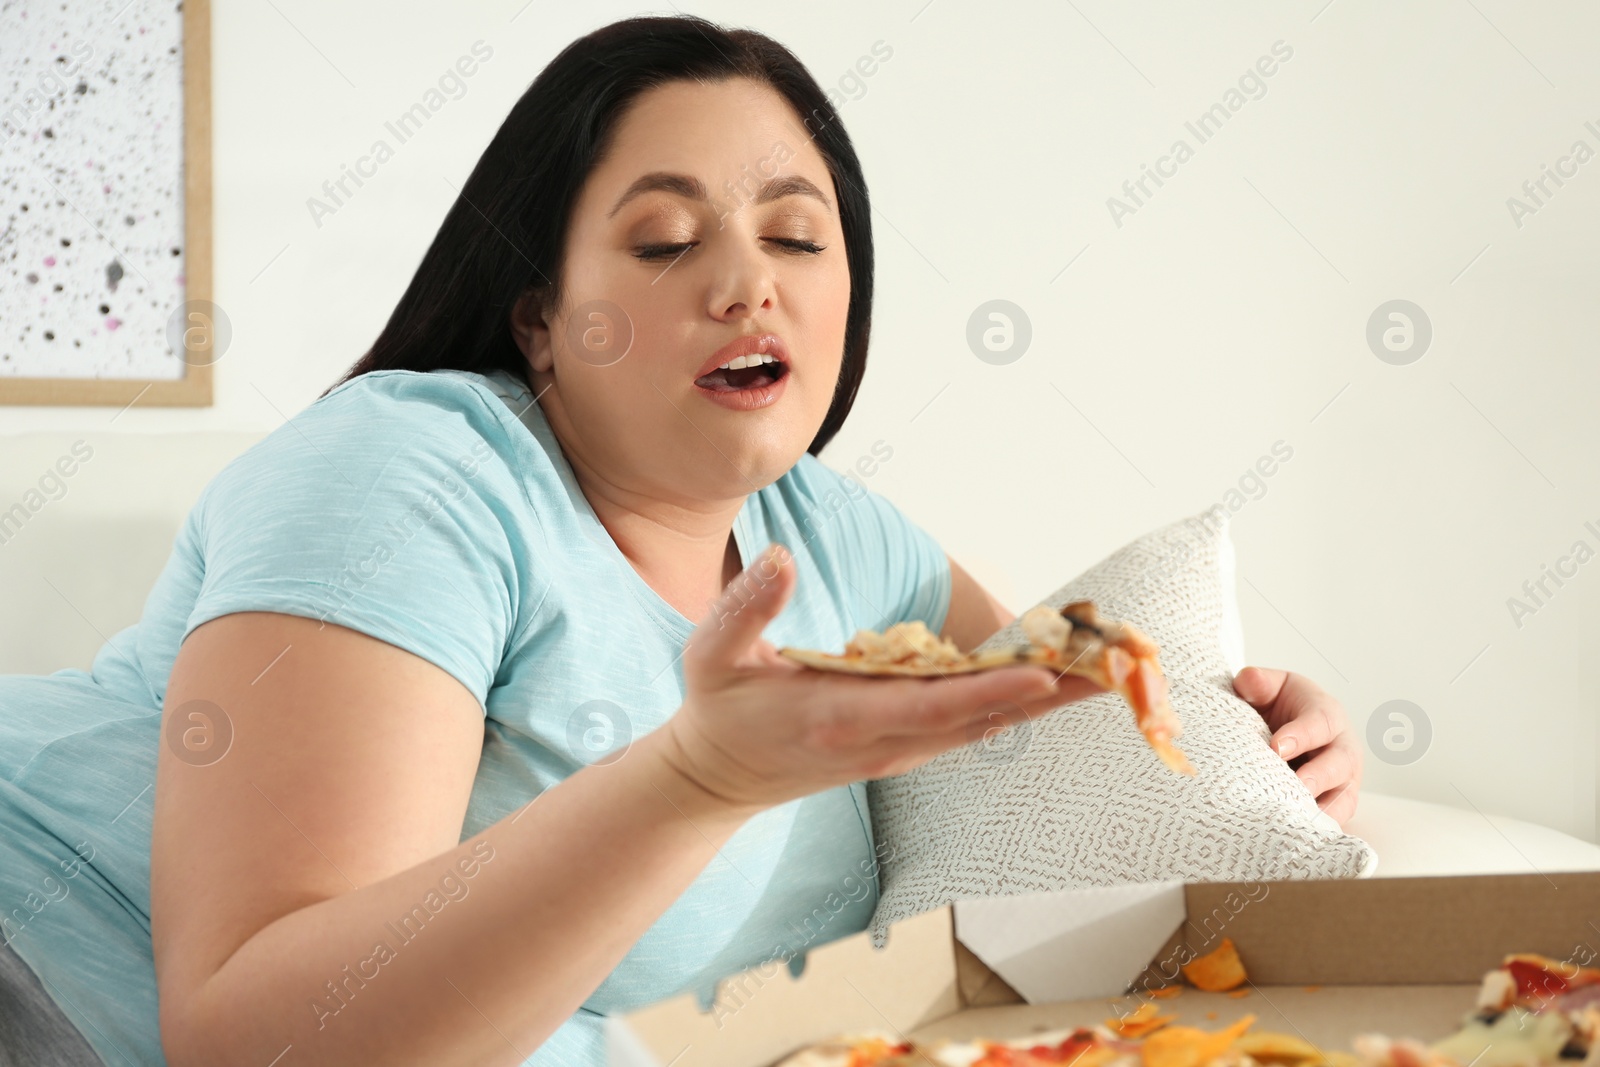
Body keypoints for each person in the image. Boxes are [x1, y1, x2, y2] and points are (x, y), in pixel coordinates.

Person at [0, 14, 1362, 1066]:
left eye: (795, 235)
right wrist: (696, 779)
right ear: (541, 317)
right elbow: (254, 1041)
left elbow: (1037, 752)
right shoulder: (410, 471)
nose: (745, 279)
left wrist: (1262, 739)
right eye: (663, 242)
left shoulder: (842, 539)